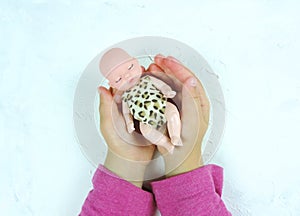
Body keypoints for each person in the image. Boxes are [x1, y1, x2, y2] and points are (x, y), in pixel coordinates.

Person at [79, 54, 231, 216]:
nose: (128, 76)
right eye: (118, 79)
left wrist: (167, 91)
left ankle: (175, 137)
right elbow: (126, 111)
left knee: (172, 113)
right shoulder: (127, 96)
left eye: (130, 68)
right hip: (145, 120)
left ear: (137, 64)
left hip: (163, 105)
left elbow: (160, 84)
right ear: (110, 84)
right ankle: (166, 142)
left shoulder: (147, 80)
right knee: (146, 131)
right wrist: (129, 125)